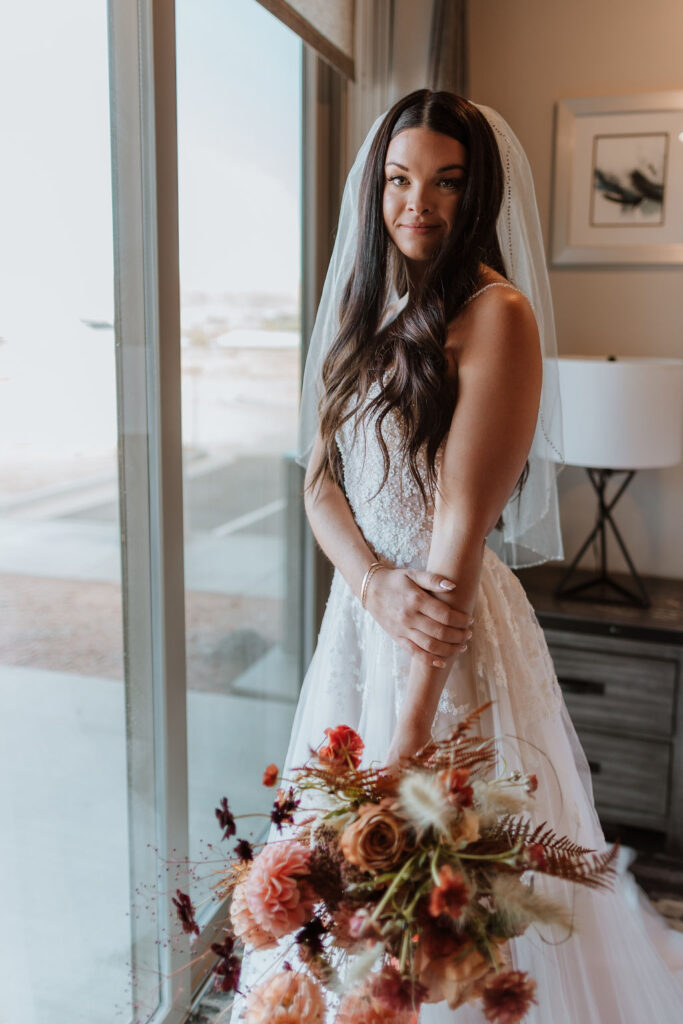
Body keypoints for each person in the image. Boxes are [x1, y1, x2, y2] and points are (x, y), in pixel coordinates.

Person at [233, 90, 683, 1022]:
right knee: (341, 915)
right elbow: (318, 483)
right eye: (398, 181)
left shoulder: (496, 315)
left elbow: (456, 533)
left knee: (445, 914)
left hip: (449, 634)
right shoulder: (366, 311)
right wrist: (372, 586)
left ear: (475, 193)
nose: (416, 205)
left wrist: (407, 738)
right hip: (363, 625)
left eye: (443, 182)